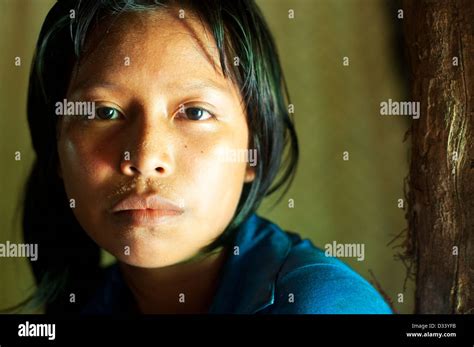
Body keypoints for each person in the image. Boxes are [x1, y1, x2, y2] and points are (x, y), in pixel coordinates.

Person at [21, 0, 391, 314]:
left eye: (195, 113)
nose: (146, 157)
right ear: (56, 149)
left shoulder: (320, 303)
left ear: (253, 152)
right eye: (104, 112)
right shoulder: (86, 304)